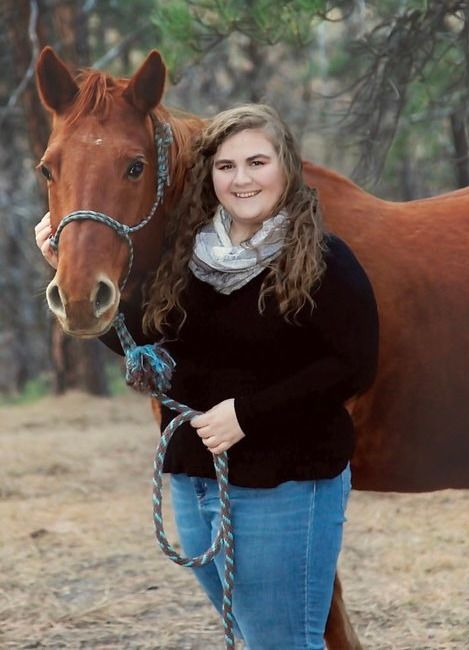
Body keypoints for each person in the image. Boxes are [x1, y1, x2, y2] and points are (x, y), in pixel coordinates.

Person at [35, 103, 378, 649]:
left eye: (257, 162)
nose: (241, 179)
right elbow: (144, 347)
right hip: (195, 485)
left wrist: (248, 415)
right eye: (226, 166)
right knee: (256, 636)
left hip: (283, 485)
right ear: (209, 176)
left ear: (286, 167)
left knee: (281, 642)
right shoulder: (189, 260)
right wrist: (62, 263)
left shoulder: (325, 261)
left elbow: (353, 367)